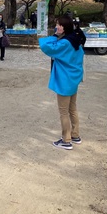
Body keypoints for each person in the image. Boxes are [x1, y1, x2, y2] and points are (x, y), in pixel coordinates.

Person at [39, 16, 86, 151]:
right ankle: (75, 135)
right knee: (72, 108)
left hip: (65, 80)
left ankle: (66, 140)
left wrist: (55, 35)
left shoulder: (65, 42)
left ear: (66, 26)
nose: (57, 27)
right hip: (73, 79)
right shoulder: (75, 39)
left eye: (60, 25)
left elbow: (47, 47)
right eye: (57, 25)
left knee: (63, 111)